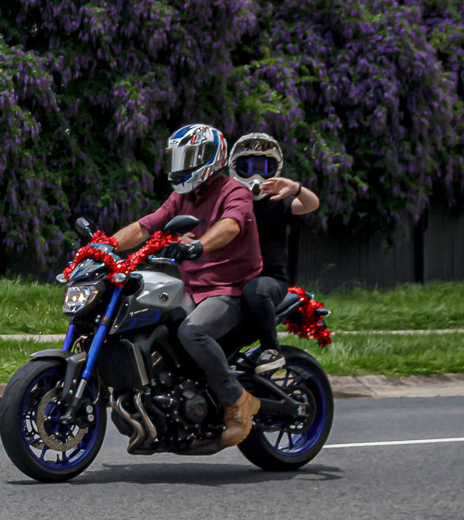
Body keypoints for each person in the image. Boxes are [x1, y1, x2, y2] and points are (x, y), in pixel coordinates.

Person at [110, 123, 263, 447]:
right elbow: (146, 226)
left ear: (211, 157)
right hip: (192, 290)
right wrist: (106, 247)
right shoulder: (182, 198)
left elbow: (231, 225)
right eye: (179, 158)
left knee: (192, 332)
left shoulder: (234, 191)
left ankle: (238, 400)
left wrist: (199, 245)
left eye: (189, 157)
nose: (182, 165)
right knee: (144, 321)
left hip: (230, 291)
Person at [228, 133, 321, 375]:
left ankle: (272, 349)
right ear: (234, 168)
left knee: (255, 290)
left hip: (271, 281)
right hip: (232, 281)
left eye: (264, 167)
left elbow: (311, 204)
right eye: (247, 167)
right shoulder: (228, 203)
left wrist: (296, 188)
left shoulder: (279, 202)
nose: (256, 175)